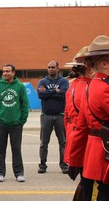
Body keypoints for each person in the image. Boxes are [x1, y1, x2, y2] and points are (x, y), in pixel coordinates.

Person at [68, 35, 109, 200]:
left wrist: (75, 161)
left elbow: (81, 128)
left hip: (96, 154)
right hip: (104, 156)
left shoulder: (90, 86)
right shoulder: (103, 88)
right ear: (104, 63)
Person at [63, 47, 96, 200]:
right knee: (90, 185)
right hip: (86, 139)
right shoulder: (89, 87)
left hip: (75, 135)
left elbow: (66, 117)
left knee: (86, 182)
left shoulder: (73, 85)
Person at [0, 64, 29, 183]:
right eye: (3, 71)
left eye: (7, 71)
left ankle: (19, 173)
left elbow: (25, 104)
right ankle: (0, 173)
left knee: (16, 149)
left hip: (16, 124)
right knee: (0, 149)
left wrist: (22, 120)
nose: (5, 73)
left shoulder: (20, 87)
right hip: (0, 123)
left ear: (13, 73)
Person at [37, 60, 69, 174]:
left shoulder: (64, 81)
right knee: (44, 142)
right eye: (49, 67)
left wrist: (48, 92)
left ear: (58, 68)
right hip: (46, 116)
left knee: (63, 142)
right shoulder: (43, 81)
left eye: (53, 67)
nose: (51, 69)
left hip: (60, 115)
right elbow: (40, 95)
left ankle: (64, 164)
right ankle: (42, 164)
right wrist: (55, 91)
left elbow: (64, 95)